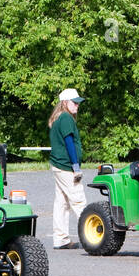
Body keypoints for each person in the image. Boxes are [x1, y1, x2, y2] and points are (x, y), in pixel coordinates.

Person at [48, 88, 86, 249]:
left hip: (58, 165)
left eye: (78, 102)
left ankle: (61, 238)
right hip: (66, 166)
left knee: (62, 203)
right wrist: (76, 166)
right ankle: (92, 235)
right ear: (65, 103)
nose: (77, 105)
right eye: (74, 102)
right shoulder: (65, 118)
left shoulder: (59, 117)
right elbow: (69, 143)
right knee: (79, 201)